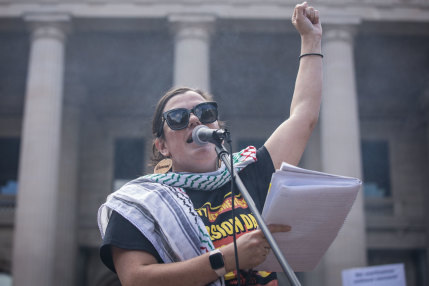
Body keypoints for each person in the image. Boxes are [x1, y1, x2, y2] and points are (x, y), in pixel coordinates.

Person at [98, 1, 323, 285]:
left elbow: (303, 118)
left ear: (217, 127)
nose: (194, 120)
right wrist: (227, 259)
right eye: (178, 117)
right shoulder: (141, 204)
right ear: (162, 146)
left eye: (205, 113)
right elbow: (136, 279)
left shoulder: (246, 175)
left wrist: (311, 39)